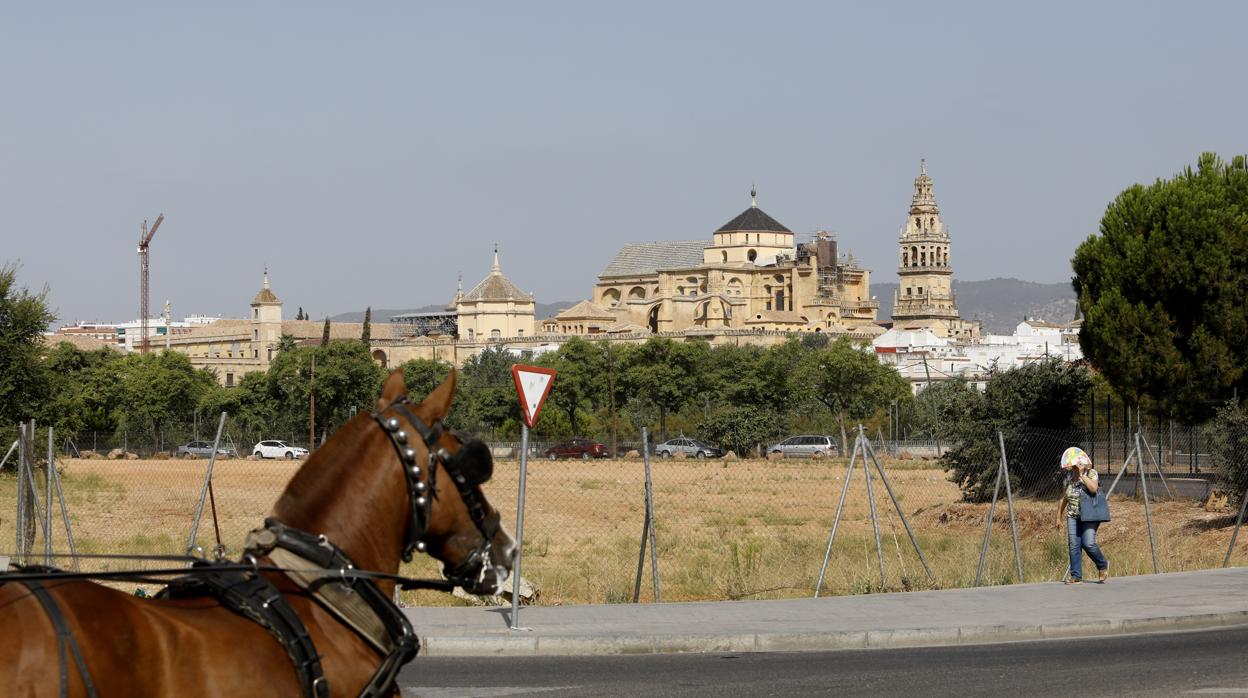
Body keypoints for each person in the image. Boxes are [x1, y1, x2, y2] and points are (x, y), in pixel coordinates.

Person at [1058, 446, 1109, 584]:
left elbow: (1093, 489)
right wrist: (1058, 517)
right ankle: (1076, 576)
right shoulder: (1069, 478)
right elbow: (1064, 498)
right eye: (1073, 466)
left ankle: (1102, 565)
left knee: (1088, 543)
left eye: (1077, 465)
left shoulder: (1091, 473)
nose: (1075, 467)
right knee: (1074, 545)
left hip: (1090, 515)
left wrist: (1082, 475)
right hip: (1073, 516)